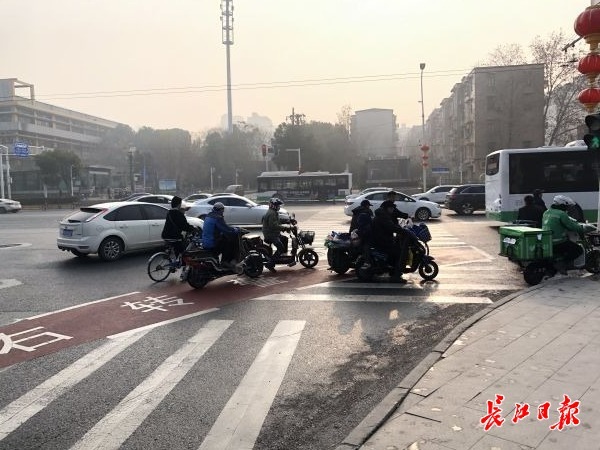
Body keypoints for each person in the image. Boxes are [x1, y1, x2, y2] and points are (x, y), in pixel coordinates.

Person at [542, 195, 584, 275]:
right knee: (578, 250)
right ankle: (562, 263)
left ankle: (558, 263)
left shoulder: (546, 212)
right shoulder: (561, 214)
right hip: (558, 242)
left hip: (547, 241)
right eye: (566, 206)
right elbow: (571, 226)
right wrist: (580, 228)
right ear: (561, 205)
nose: (567, 208)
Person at [371, 200, 410, 283]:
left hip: (382, 239)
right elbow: (391, 227)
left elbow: (392, 225)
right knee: (399, 253)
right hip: (382, 241)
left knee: (396, 247)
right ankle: (396, 276)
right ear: (387, 208)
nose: (393, 210)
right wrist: (404, 231)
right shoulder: (383, 216)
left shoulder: (383, 214)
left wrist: (400, 229)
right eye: (391, 208)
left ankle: (392, 270)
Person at [201, 202, 241, 271]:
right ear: (221, 210)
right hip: (212, 243)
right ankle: (225, 261)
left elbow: (218, 228)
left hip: (205, 242)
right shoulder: (218, 218)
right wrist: (237, 230)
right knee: (230, 243)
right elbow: (227, 230)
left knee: (224, 239)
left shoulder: (208, 216)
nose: (223, 212)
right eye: (223, 210)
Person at [262, 198, 293, 273]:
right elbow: (274, 226)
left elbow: (277, 221)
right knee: (280, 248)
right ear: (273, 206)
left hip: (273, 233)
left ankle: (282, 257)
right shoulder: (272, 213)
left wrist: (288, 221)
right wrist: (285, 228)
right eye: (278, 205)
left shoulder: (273, 212)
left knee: (285, 239)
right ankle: (270, 263)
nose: (279, 207)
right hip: (271, 234)